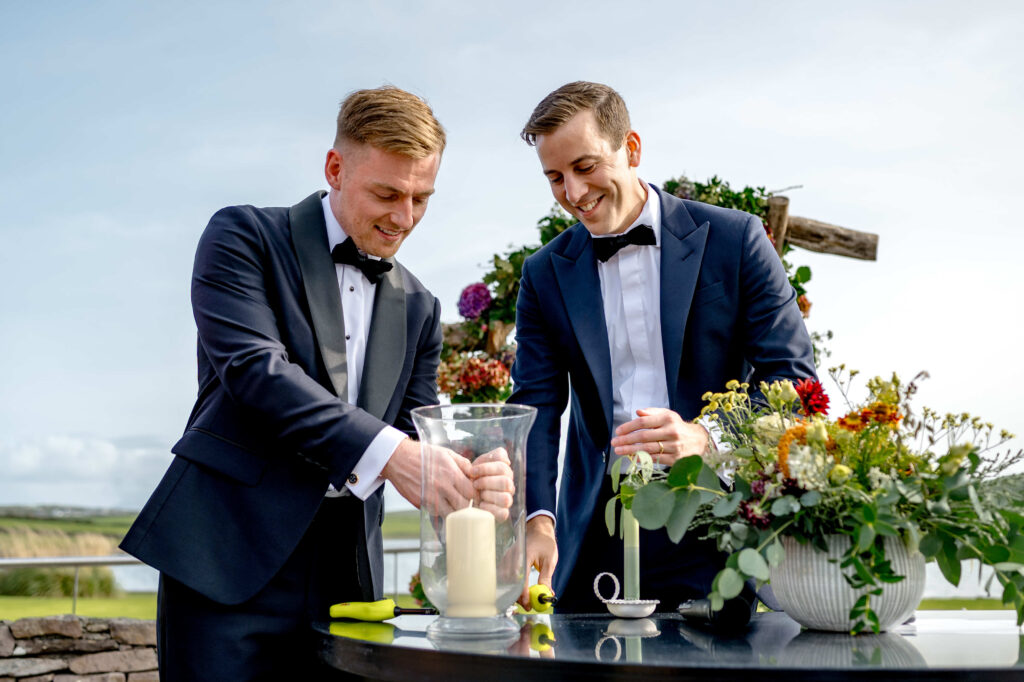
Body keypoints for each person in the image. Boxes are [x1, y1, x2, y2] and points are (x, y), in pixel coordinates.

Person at [121, 86, 514, 680]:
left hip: (347, 575)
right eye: (387, 194)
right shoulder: (243, 236)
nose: (404, 218)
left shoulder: (421, 307)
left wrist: (472, 474)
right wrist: (395, 455)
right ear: (335, 169)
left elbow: (419, 438)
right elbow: (257, 372)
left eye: (421, 199)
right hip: (227, 557)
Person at [510, 81, 816, 614]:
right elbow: (535, 406)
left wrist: (705, 435)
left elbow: (792, 380)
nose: (573, 193)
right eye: (555, 177)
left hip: (715, 524)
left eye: (585, 167)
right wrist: (538, 520)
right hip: (595, 536)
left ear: (631, 149)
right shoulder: (543, 274)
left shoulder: (737, 239)